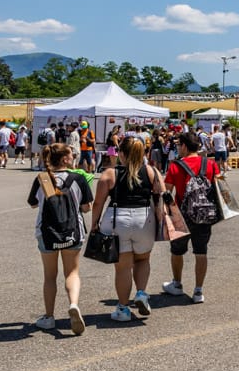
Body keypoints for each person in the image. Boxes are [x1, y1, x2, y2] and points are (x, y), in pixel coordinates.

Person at [91, 136, 166, 322]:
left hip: (117, 220)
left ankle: (123, 309)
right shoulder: (152, 171)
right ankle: (141, 293)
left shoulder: (110, 174)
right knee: (143, 259)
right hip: (145, 220)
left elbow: (98, 202)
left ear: (121, 154)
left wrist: (94, 223)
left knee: (122, 267)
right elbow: (162, 195)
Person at [26, 143, 92, 334]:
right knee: (72, 272)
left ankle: (49, 316)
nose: (74, 158)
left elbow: (33, 204)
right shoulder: (78, 178)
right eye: (72, 155)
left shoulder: (43, 178)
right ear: (65, 159)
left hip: (47, 232)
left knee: (49, 276)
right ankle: (73, 304)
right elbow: (86, 207)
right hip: (72, 230)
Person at [162, 131, 221, 304]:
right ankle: (198, 291)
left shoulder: (176, 166)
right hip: (205, 214)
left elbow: (167, 192)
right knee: (201, 251)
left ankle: (177, 284)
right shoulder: (210, 164)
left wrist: (165, 214)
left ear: (185, 146)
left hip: (182, 215)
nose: (178, 148)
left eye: (178, 145)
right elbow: (219, 187)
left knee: (177, 251)